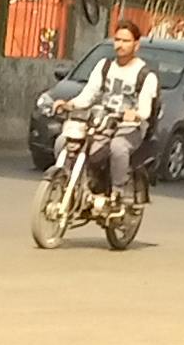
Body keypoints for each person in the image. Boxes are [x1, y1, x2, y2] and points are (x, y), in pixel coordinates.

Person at [62, 14, 163, 205]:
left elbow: (145, 111)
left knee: (118, 148)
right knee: (67, 142)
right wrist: (70, 104)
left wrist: (134, 114)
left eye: (126, 41)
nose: (120, 45)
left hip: (130, 128)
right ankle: (72, 183)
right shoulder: (104, 66)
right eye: (117, 40)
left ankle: (118, 191)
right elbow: (88, 95)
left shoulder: (146, 75)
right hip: (102, 122)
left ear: (136, 45)